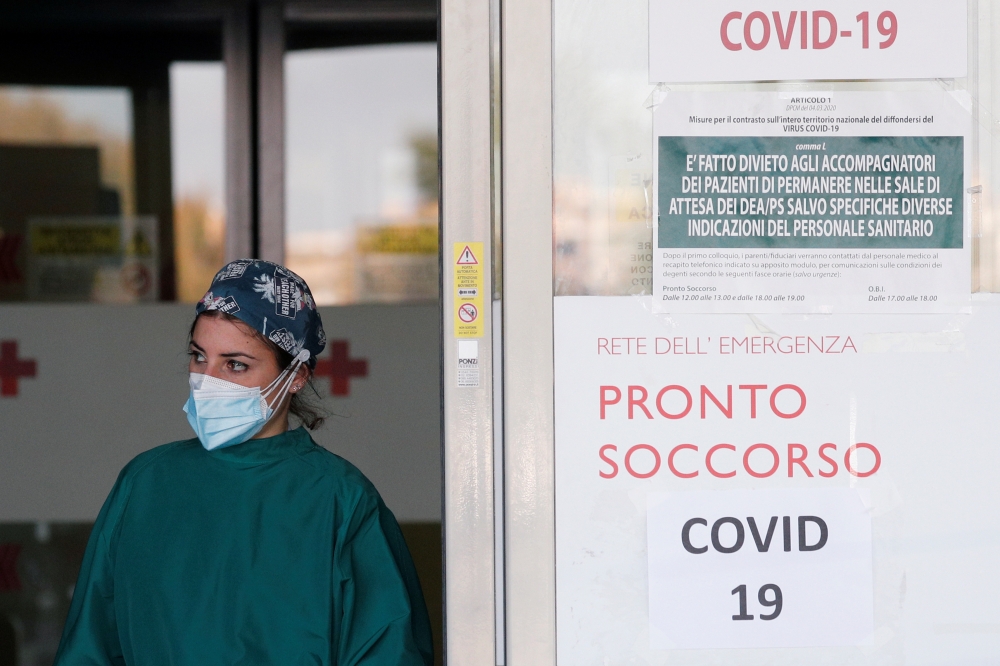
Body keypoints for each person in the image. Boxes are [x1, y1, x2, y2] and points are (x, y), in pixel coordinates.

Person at [54, 259, 434, 665]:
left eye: (236, 365)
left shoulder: (340, 501)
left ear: (296, 376)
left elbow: (389, 652)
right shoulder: (145, 484)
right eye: (200, 358)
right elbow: (90, 647)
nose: (209, 380)